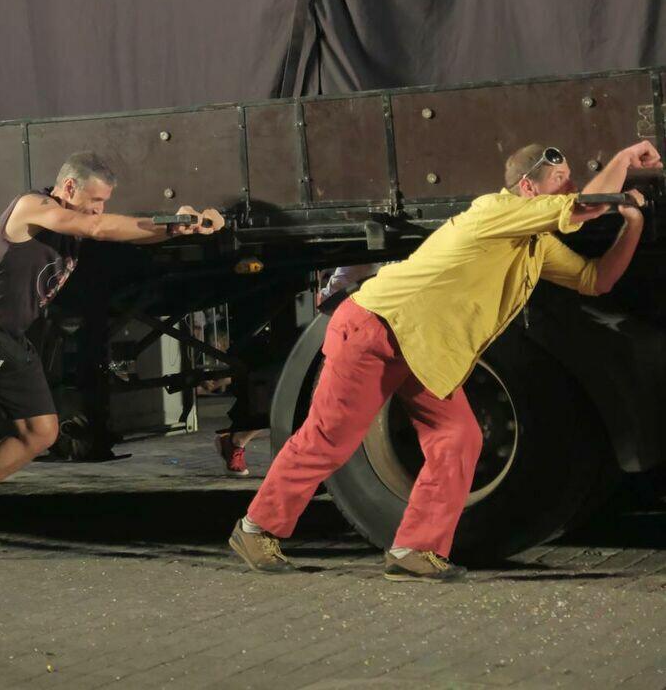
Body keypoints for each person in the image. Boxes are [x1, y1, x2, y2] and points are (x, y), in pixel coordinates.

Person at [230, 140, 658, 583]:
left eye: (570, 180)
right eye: (560, 179)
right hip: (377, 328)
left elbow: (595, 279)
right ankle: (255, 529)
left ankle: (414, 549)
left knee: (458, 437)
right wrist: (624, 161)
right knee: (330, 437)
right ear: (528, 187)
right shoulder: (496, 211)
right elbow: (585, 206)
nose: (570, 187)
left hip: (426, 350)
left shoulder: (534, 242)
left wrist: (633, 223)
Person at [0, 151, 225, 565]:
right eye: (95, 199)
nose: (99, 209)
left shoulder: (73, 219)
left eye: (104, 202)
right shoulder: (31, 207)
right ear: (69, 187)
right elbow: (98, 227)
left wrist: (178, 229)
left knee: (42, 431)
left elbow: (118, 230)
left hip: (10, 339)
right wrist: (167, 223)